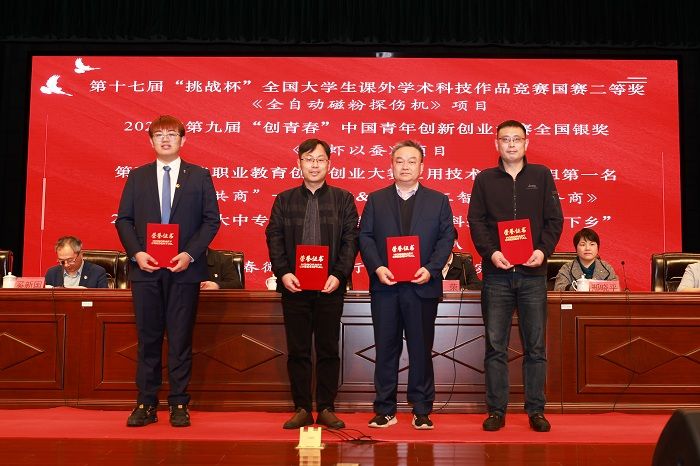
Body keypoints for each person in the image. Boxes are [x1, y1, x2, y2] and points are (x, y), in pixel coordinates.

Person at [115, 115, 220, 428]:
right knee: (148, 339)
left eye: (171, 134)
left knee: (179, 339)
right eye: (158, 134)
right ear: (150, 141)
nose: (165, 139)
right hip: (146, 270)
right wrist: (137, 253)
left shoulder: (199, 176)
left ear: (183, 140)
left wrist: (189, 254)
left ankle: (179, 403)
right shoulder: (137, 176)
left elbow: (211, 220)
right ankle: (146, 403)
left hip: (184, 270)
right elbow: (124, 220)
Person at [467, 120, 563, 432]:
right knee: (496, 346)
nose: (511, 144)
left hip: (533, 275)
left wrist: (543, 251)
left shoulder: (541, 175)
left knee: (535, 347)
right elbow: (476, 221)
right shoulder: (484, 179)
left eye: (516, 139)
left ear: (526, 143)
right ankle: (496, 410)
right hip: (497, 275)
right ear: (496, 144)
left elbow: (554, 220)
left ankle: (536, 410)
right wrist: (491, 252)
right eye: (505, 139)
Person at [359, 140, 454, 430]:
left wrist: (431, 269)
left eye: (412, 161)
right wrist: (378, 267)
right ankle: (385, 408)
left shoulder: (438, 200)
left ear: (422, 167)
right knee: (386, 349)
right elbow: (365, 237)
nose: (405, 166)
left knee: (420, 349)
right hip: (386, 287)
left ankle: (421, 409)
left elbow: (446, 238)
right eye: (399, 160)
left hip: (421, 287)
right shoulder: (376, 199)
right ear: (391, 165)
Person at [265, 138, 359, 430]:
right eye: (308, 159)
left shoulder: (343, 199)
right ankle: (303, 408)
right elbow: (274, 237)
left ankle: (327, 407)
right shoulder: (284, 200)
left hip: (330, 287)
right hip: (294, 287)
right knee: (298, 351)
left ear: (329, 164)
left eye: (320, 159)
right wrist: (283, 272)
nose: (314, 165)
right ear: (299, 164)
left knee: (329, 349)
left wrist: (339, 274)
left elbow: (350, 240)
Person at [553, 228, 617, 291]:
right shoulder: (566, 268)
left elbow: (616, 290)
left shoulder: (607, 268)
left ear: (597, 247)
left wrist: (594, 285)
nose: (587, 248)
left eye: (592, 244)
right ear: (576, 248)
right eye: (582, 244)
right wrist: (579, 286)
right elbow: (558, 289)